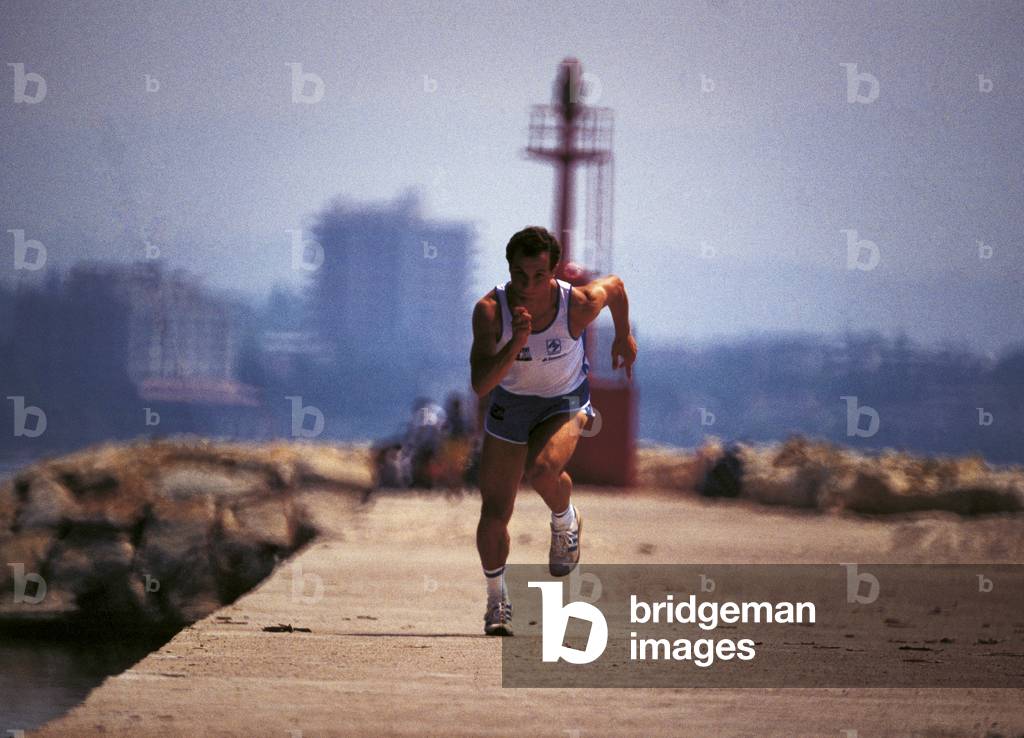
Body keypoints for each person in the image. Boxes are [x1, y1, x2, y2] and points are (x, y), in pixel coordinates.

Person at [469, 226, 637, 635]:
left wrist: (623, 334)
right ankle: (497, 602)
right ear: (509, 269)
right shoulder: (491, 311)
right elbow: (481, 385)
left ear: (554, 272)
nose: (528, 286)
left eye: (539, 276)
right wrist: (516, 342)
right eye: (520, 275)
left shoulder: (576, 304)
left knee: (543, 471)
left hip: (565, 400)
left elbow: (615, 287)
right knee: (494, 511)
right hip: (511, 404)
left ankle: (565, 521)